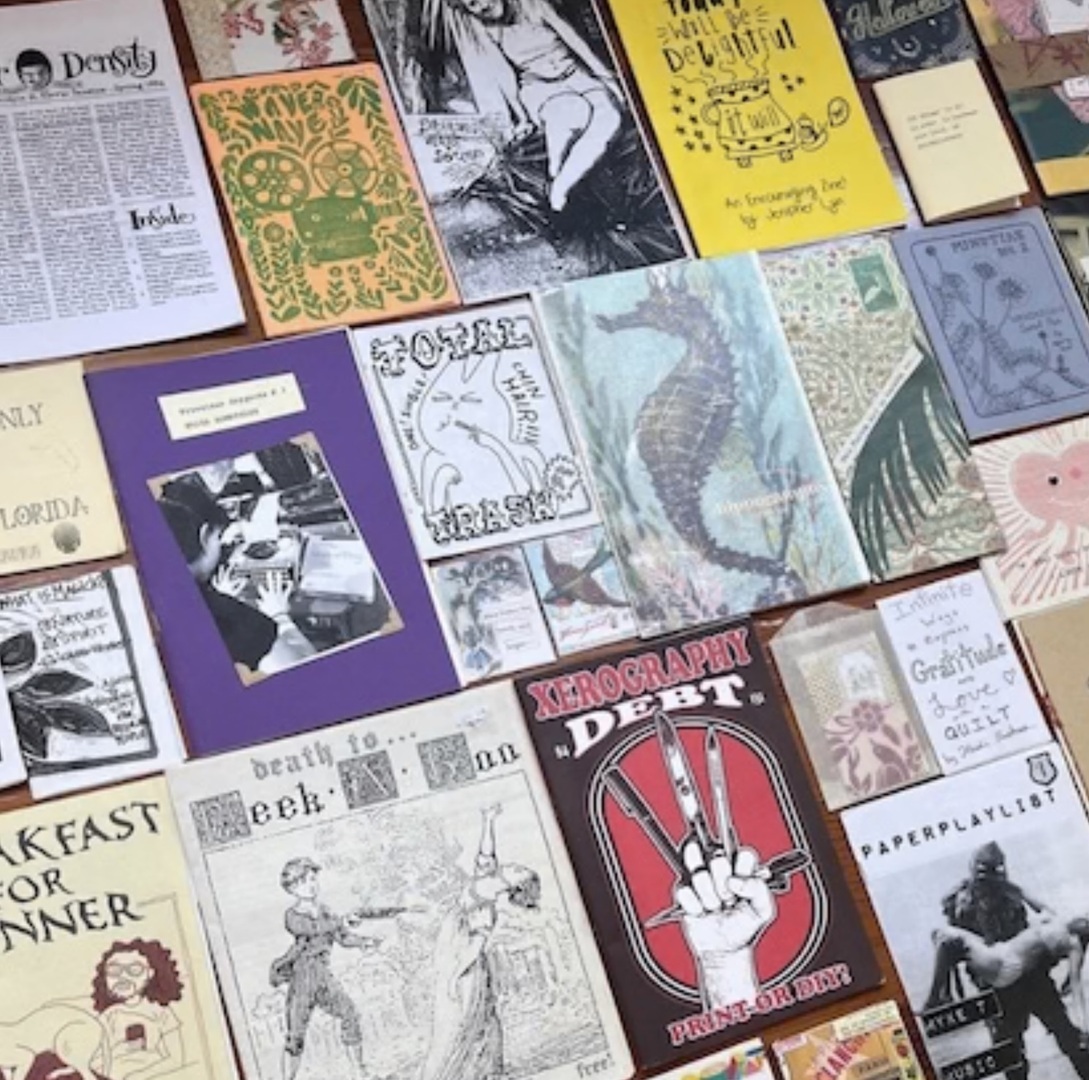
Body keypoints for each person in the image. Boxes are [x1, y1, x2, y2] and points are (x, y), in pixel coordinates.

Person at [936, 842, 1089, 1080]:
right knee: (1012, 1056)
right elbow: (957, 949)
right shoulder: (960, 902)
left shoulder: (1010, 893)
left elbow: (1050, 918)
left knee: (1067, 1037)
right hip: (999, 989)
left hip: (1032, 979)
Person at [451, 0, 622, 212]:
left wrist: (607, 78)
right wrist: (522, 116)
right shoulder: (487, 30)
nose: (484, 5)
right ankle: (556, 174)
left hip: (576, 76)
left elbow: (574, 41)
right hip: (538, 88)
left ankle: (560, 182)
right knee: (573, 111)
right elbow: (504, 74)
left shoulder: (534, 5)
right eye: (473, 4)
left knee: (610, 118)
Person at [419, 804, 541, 1080]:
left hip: (467, 966)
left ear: (514, 886)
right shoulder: (486, 876)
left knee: (469, 1016)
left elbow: (475, 948)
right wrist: (488, 820)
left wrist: (455, 976)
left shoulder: (486, 908)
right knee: (460, 1016)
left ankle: (482, 1070)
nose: (512, 865)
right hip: (453, 947)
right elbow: (486, 851)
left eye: (517, 870)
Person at [156, 480, 316, 678]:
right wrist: (280, 616)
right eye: (218, 537)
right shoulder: (225, 615)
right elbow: (310, 672)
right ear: (205, 535)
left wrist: (221, 595)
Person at [272, 857, 405, 1080]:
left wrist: (364, 941)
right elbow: (313, 929)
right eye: (303, 881)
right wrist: (342, 921)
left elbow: (342, 937)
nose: (310, 885)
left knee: (349, 1014)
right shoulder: (292, 916)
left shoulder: (326, 911)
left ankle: (359, 1073)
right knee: (295, 1036)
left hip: (324, 976)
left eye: (312, 879)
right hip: (302, 978)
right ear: (292, 888)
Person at [92, 939, 186, 1080]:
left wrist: (138, 1076)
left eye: (134, 970)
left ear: (150, 973)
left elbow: (176, 1058)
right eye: (114, 970)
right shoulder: (109, 1015)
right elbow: (94, 1058)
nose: (123, 976)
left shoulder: (160, 1012)